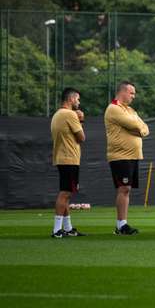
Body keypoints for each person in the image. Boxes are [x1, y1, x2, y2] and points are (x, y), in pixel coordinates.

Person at [105, 80, 149, 235]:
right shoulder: (114, 109)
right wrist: (139, 129)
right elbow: (136, 126)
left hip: (132, 155)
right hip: (120, 155)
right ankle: (120, 225)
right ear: (122, 92)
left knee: (126, 189)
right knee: (124, 188)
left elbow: (144, 128)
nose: (133, 96)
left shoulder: (130, 110)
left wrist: (140, 130)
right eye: (131, 93)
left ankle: (122, 224)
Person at [50, 87, 86, 238]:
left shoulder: (57, 114)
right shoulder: (70, 114)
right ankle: (57, 230)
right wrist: (81, 120)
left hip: (61, 158)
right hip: (69, 158)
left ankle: (67, 227)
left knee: (66, 193)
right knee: (65, 193)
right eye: (77, 99)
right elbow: (81, 137)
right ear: (71, 99)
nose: (78, 102)